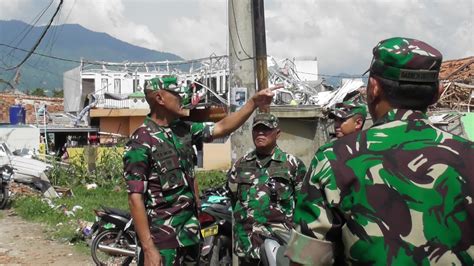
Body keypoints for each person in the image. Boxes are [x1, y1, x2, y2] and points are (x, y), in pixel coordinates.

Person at [285, 37, 474, 265]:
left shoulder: (334, 159)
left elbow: (306, 260)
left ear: (373, 88)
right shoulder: (468, 155)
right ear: (438, 93)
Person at [123, 75, 275, 266]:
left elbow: (221, 127)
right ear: (160, 99)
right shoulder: (142, 140)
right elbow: (134, 198)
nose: (183, 99)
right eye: (177, 94)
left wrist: (253, 103)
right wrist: (148, 248)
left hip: (190, 235)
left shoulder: (183, 131)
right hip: (162, 241)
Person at [227, 113, 307, 265]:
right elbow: (233, 198)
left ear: (277, 133)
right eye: (257, 130)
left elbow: (303, 206)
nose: (260, 133)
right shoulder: (240, 164)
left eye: (266, 129)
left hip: (279, 245)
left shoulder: (292, 164)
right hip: (247, 246)